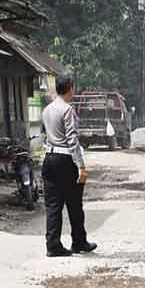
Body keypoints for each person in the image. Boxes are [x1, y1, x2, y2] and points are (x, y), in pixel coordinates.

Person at [41, 74, 96, 257]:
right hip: (66, 160)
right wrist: (81, 165)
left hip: (49, 158)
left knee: (53, 205)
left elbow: (45, 134)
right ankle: (79, 242)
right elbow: (72, 139)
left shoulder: (47, 110)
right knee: (74, 203)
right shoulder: (67, 110)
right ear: (71, 88)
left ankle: (53, 245)